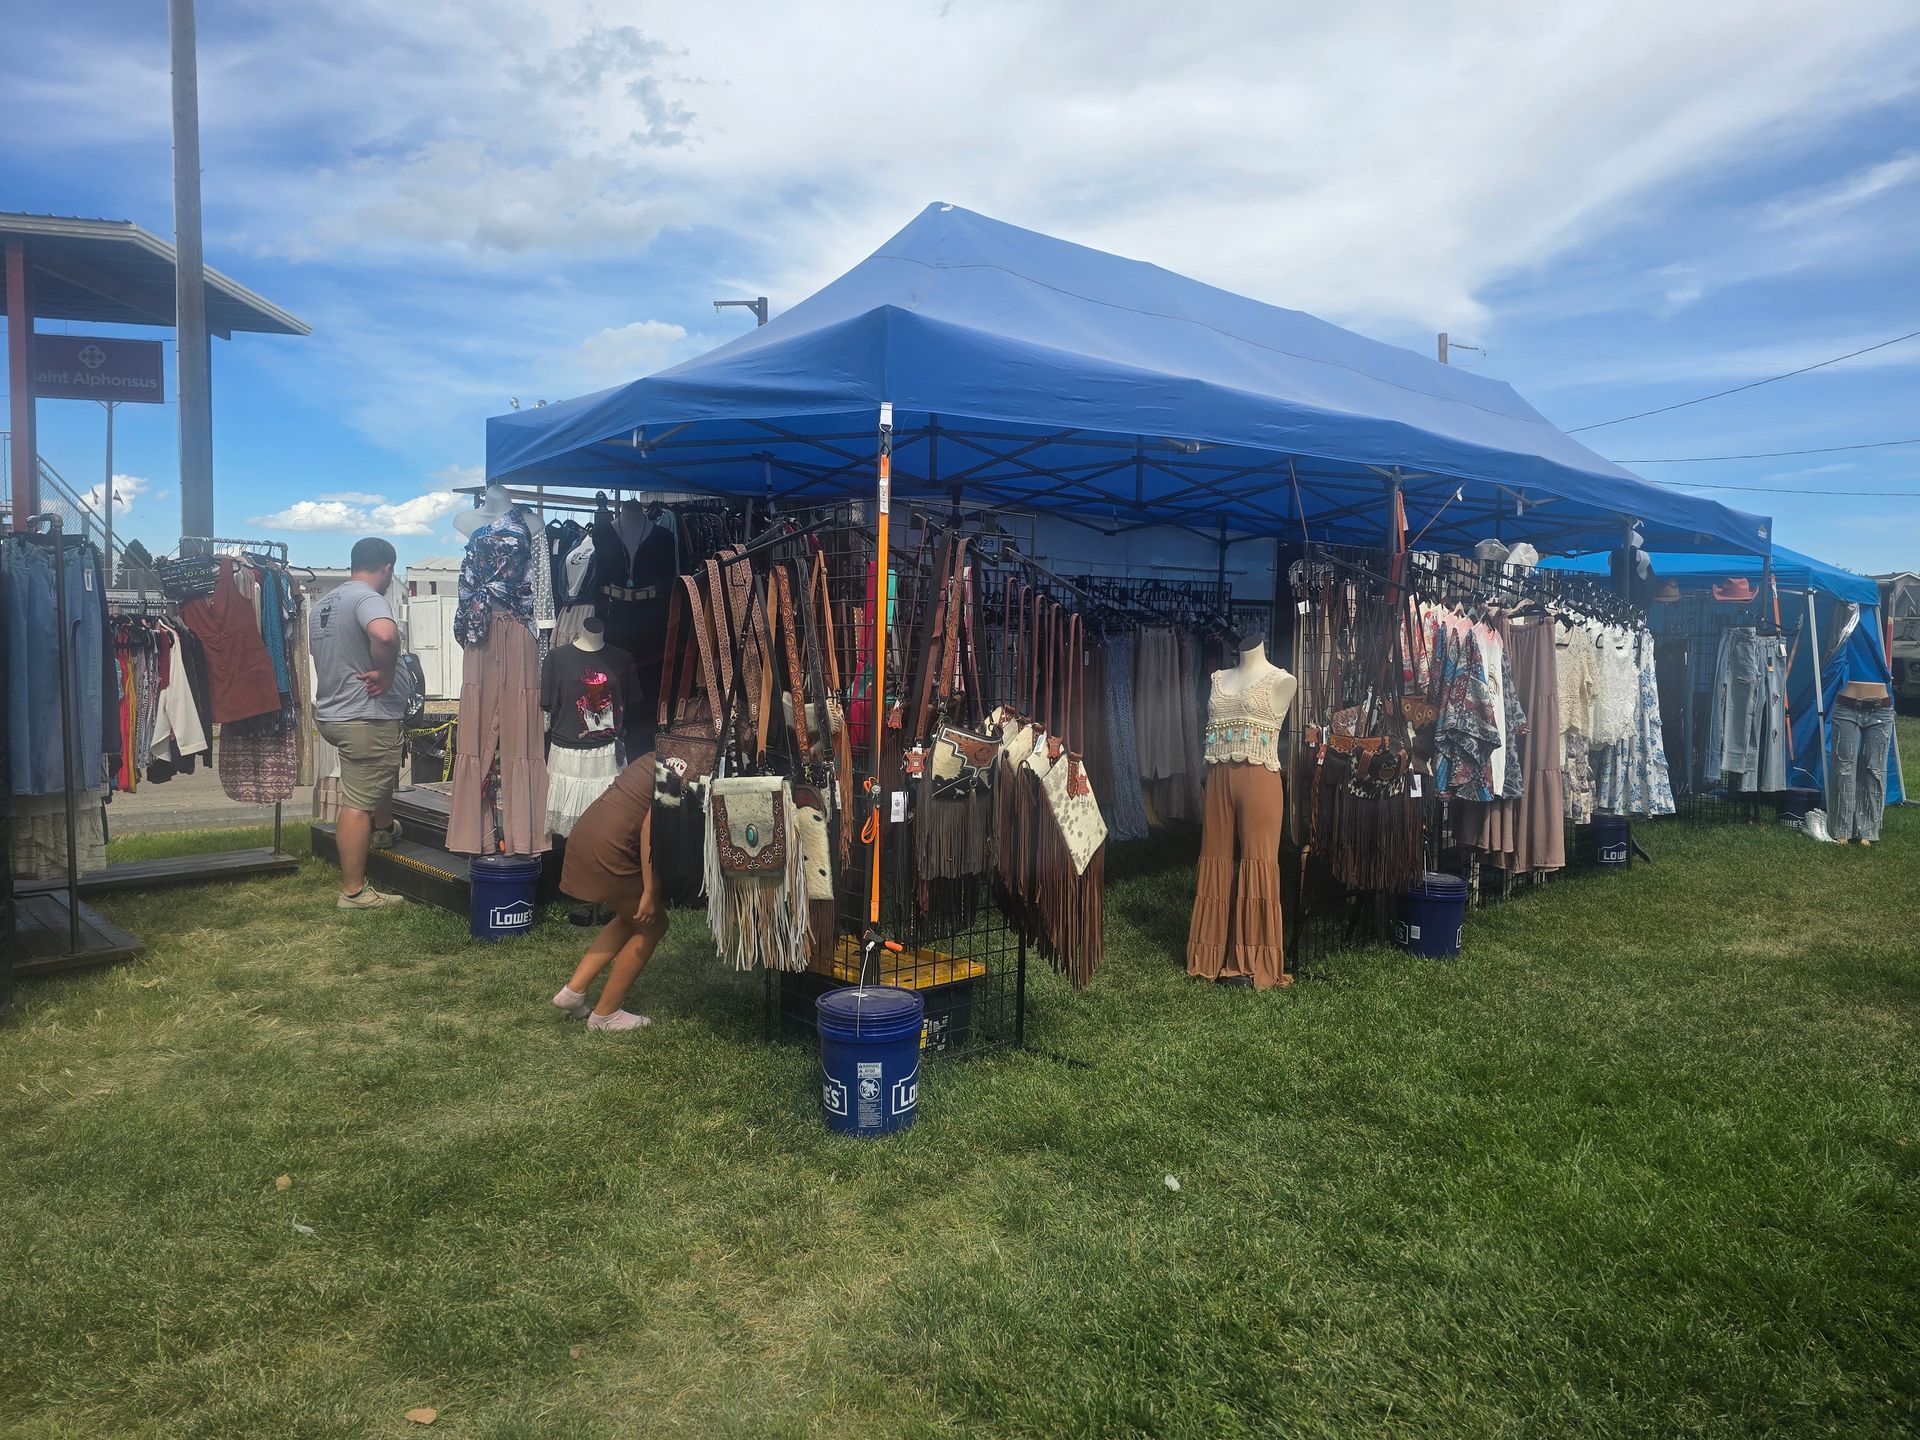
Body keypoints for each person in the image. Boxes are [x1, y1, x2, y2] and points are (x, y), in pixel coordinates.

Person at [310, 537, 409, 910]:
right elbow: (384, 634)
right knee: (356, 804)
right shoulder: (368, 598)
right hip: (364, 716)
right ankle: (353, 892)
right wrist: (387, 674)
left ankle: (382, 831)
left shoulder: (324, 603)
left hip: (335, 712)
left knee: (375, 776)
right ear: (387, 568)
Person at [551, 752, 669, 1031]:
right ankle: (606, 1014)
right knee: (653, 924)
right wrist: (650, 892)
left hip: (590, 830)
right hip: (610, 845)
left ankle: (573, 991)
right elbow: (651, 827)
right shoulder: (688, 761)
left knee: (630, 917)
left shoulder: (660, 751)